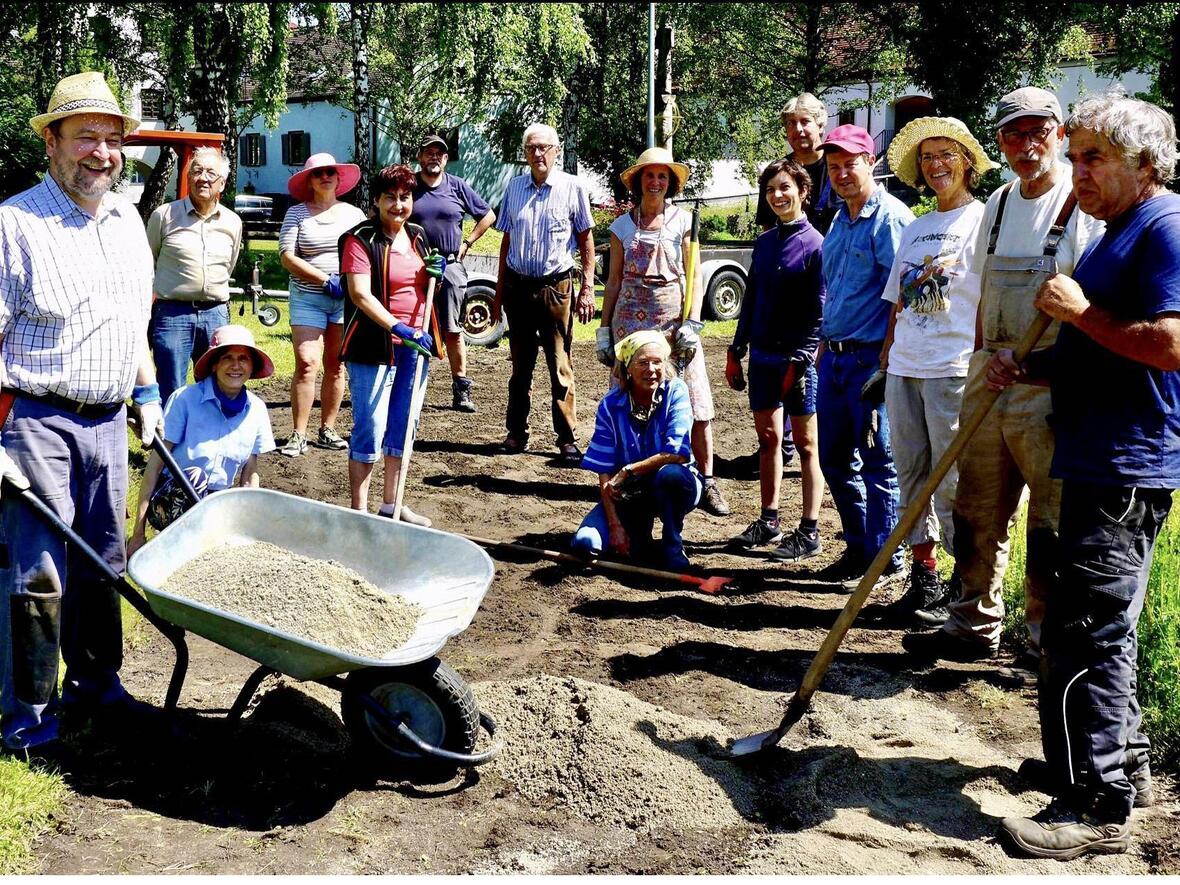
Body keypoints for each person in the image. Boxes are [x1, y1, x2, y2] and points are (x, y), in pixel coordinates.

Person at [992, 93, 1180, 861]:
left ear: (1144, 161)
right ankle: (1113, 761)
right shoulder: (1115, 230)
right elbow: (1096, 351)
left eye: (1093, 157)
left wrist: (1078, 315)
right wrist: (1031, 365)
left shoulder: (1165, 226)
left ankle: (1097, 803)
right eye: (1075, 157)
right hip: (1094, 453)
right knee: (1089, 625)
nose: (1079, 172)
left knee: (1091, 633)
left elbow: (1169, 345)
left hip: (1126, 463)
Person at [903, 88, 1103, 674]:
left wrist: (1038, 365)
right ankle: (971, 623)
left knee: (1049, 520)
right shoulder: (997, 205)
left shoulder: (1080, 205)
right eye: (1013, 134)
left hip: (1050, 389)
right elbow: (983, 296)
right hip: (989, 379)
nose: (1026, 144)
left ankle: (1044, 640)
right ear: (1000, 144)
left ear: (1060, 133)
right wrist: (982, 361)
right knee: (976, 508)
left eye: (1037, 131)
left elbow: (1090, 311)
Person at [0, 72, 164, 751]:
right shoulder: (15, 224)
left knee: (103, 566)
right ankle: (26, 719)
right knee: (37, 575)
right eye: (84, 137)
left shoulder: (127, 219)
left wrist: (148, 392)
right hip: (36, 422)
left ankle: (97, 685)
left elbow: (133, 322)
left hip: (106, 423)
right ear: (52, 143)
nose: (101, 152)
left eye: (111, 138)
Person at [869, 117, 997, 626]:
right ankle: (922, 575)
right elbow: (898, 303)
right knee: (911, 477)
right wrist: (885, 359)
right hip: (906, 367)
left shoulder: (982, 221)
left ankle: (962, 586)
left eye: (946, 154)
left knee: (951, 482)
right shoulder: (918, 227)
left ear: (967, 161)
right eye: (927, 157)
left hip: (952, 368)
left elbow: (989, 298)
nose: (936, 164)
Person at [598, 147, 729, 518]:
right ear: (638, 181)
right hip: (631, 324)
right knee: (630, 402)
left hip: (674, 324)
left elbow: (695, 276)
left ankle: (707, 480)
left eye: (662, 177)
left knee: (695, 403)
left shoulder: (684, 222)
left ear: (669, 183)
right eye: (649, 176)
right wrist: (604, 329)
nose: (655, 182)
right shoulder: (622, 227)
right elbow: (613, 280)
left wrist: (693, 322)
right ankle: (632, 478)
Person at [814, 124, 914, 586]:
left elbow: (903, 296)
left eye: (849, 164)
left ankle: (885, 559)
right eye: (833, 167)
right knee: (834, 458)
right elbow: (833, 289)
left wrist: (886, 360)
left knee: (878, 459)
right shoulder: (838, 218)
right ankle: (859, 548)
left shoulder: (890, 219)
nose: (841, 174)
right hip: (833, 359)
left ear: (870, 163)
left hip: (870, 359)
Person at [725, 158, 825, 561]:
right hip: (763, 356)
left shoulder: (817, 244)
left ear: (802, 191)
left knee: (806, 445)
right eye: (770, 190)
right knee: (768, 440)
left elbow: (820, 309)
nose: (778, 195)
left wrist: (801, 360)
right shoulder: (764, 242)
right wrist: (736, 349)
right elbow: (750, 300)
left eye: (785, 187)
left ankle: (810, 529)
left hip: (796, 361)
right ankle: (769, 519)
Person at [339, 164, 445, 525]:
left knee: (403, 423)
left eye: (405, 197)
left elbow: (425, 290)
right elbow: (360, 296)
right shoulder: (360, 239)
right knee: (370, 424)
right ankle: (359, 511)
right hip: (374, 347)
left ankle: (391, 505)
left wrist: (437, 276)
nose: (398, 205)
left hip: (414, 349)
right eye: (390, 198)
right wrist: (401, 327)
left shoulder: (418, 236)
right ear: (376, 200)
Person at [491, 123, 595, 463]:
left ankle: (566, 438)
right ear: (524, 153)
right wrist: (497, 292)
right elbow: (506, 242)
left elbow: (586, 239)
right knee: (520, 367)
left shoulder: (572, 187)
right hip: (519, 288)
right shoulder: (514, 188)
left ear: (557, 150)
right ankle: (516, 432)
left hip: (557, 288)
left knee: (560, 364)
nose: (538, 154)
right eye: (532, 148)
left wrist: (588, 288)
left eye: (545, 147)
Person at [128, 325, 275, 554]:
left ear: (252, 365)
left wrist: (248, 527)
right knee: (195, 475)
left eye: (243, 359)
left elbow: (250, 473)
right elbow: (154, 467)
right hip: (176, 496)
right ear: (214, 363)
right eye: (228, 358)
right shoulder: (185, 399)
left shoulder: (256, 409)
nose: (236, 366)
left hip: (219, 504)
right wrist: (138, 534)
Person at [573, 331, 702, 570]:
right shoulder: (610, 405)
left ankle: (672, 544)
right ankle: (638, 531)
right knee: (585, 544)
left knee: (670, 475)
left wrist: (629, 470)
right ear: (627, 369)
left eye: (657, 362)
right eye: (643, 363)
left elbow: (678, 452)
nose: (651, 369)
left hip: (675, 484)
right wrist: (614, 525)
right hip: (630, 494)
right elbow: (604, 469)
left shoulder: (676, 392)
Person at [278, 152, 366, 457]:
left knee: (336, 366)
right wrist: (324, 279)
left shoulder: (354, 215)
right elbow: (287, 257)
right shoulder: (297, 214)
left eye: (330, 171)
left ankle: (328, 428)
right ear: (310, 181)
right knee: (306, 364)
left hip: (345, 301)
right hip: (308, 298)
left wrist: (349, 283)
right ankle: (298, 434)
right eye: (318, 174)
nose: (325, 177)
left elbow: (366, 253)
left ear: (339, 178)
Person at [145, 146, 242, 405]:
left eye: (211, 172)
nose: (203, 178)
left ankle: (207, 442)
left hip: (216, 313)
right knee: (172, 385)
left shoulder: (233, 222)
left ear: (222, 182)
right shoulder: (164, 215)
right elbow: (148, 262)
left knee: (216, 382)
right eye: (197, 171)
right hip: (172, 314)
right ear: (188, 178)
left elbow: (229, 266)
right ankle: (169, 444)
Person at [410, 134, 496, 413]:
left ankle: (461, 389)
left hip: (450, 266)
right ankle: (406, 386)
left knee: (451, 329)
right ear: (420, 156)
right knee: (410, 325)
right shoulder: (409, 185)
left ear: (446, 159)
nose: (434, 157)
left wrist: (468, 242)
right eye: (429, 152)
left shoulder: (457, 186)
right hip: (414, 267)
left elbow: (488, 215)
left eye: (440, 154)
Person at [755, 92, 839, 235]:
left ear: (820, 126)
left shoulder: (838, 168)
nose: (798, 129)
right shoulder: (775, 173)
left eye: (805, 121)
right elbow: (768, 227)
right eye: (791, 123)